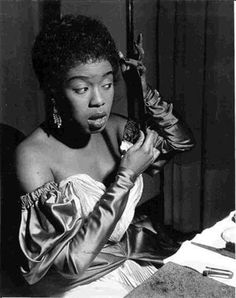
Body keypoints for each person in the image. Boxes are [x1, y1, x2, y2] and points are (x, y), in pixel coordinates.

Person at [15, 15, 194, 297]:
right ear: (53, 89)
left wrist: (143, 89)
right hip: (78, 285)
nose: (98, 101)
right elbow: (71, 262)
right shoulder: (32, 156)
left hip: (131, 259)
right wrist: (125, 177)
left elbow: (180, 142)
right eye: (82, 89)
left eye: (107, 84)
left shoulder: (117, 129)